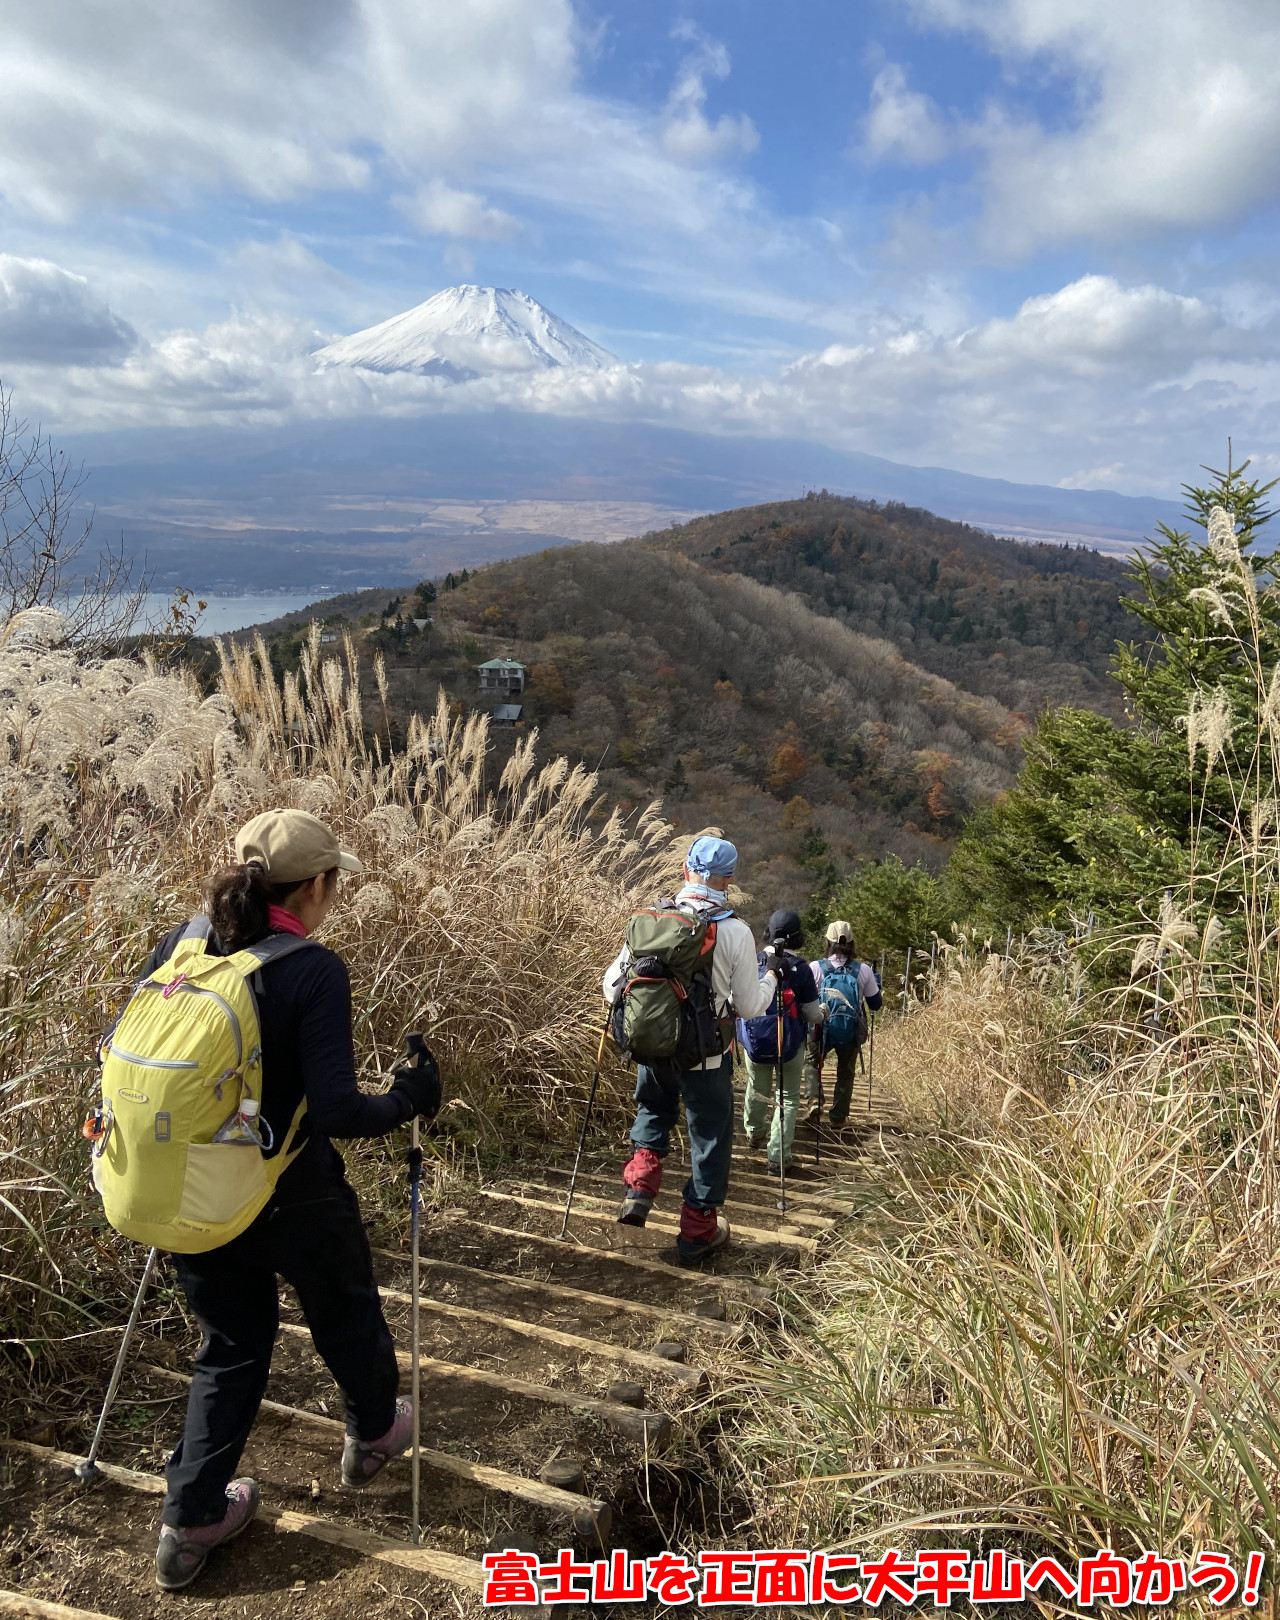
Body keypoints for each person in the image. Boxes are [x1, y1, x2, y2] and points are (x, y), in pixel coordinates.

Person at [144, 809, 443, 1592]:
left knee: (232, 1347)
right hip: (290, 1187)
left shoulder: (181, 944)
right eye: (332, 881)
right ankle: (374, 1433)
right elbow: (340, 1112)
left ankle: (191, 1516)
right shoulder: (311, 969)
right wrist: (409, 1098)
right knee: (343, 1310)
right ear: (315, 886)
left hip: (194, 1189)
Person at [603, 835, 778, 1265]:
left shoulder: (652, 919)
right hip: (708, 1057)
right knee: (710, 1138)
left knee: (653, 1112)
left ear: (685, 870)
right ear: (729, 878)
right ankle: (698, 1232)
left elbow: (611, 988)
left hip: (654, 1049)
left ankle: (639, 1190)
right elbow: (752, 1007)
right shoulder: (735, 931)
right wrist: (770, 977)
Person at [739, 909, 826, 1171]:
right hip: (790, 1044)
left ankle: (755, 1132)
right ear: (797, 937)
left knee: (757, 1086)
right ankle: (778, 1155)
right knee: (787, 1097)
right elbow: (812, 1014)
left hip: (754, 1041)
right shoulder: (800, 968)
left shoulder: (753, 962)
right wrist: (823, 1014)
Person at [801, 920, 883, 1127]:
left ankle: (814, 1099)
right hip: (850, 1031)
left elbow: (806, 999)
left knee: (812, 1063)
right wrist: (876, 984)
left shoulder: (815, 968)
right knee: (845, 1072)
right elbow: (875, 1005)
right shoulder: (863, 970)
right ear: (852, 943)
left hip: (821, 1028)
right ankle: (838, 1117)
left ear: (827, 941)